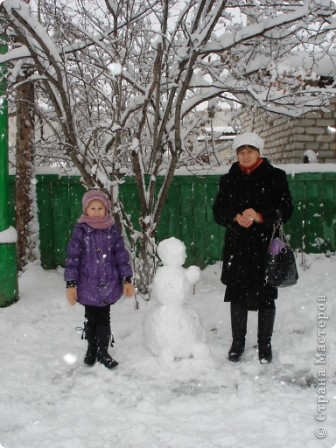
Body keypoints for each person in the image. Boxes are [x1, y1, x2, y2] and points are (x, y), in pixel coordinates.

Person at [213, 132, 293, 364]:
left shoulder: (275, 177)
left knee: (266, 296)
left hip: (265, 247)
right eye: (241, 152)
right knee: (237, 296)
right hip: (237, 247)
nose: (245, 156)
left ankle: (264, 344)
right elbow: (218, 211)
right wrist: (234, 217)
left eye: (250, 151)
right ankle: (238, 343)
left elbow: (286, 209)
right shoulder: (229, 179)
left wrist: (260, 216)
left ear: (259, 152)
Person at [64, 189, 135, 369]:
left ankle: (103, 350)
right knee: (90, 319)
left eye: (100, 208)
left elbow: (121, 255)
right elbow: (73, 258)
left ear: (106, 209)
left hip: (108, 284)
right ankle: (91, 348)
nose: (96, 211)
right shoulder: (80, 231)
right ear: (86, 210)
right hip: (87, 285)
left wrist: (126, 278)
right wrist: (71, 284)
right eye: (92, 208)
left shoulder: (111, 229)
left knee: (104, 319)